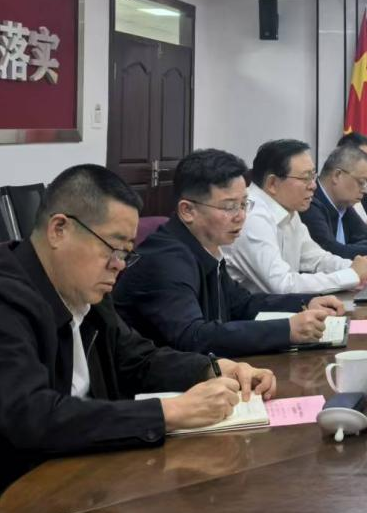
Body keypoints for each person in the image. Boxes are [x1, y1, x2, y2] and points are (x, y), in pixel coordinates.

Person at [0, 165, 275, 513]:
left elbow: (136, 358)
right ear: (59, 229)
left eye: (126, 252)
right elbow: (34, 416)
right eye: (113, 247)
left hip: (76, 484)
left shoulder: (82, 287)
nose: (119, 265)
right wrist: (171, 412)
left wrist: (212, 369)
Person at [115, 149, 351, 357]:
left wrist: (306, 302)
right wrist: (287, 330)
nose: (241, 216)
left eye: (244, 204)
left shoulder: (207, 246)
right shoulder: (166, 261)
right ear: (187, 211)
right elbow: (193, 337)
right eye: (229, 207)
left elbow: (242, 304)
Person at [227, 139, 367, 294]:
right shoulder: (252, 215)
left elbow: (317, 259)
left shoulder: (289, 210)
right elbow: (282, 285)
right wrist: (352, 275)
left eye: (313, 176)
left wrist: (355, 266)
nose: (313, 185)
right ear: (273, 183)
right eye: (305, 178)